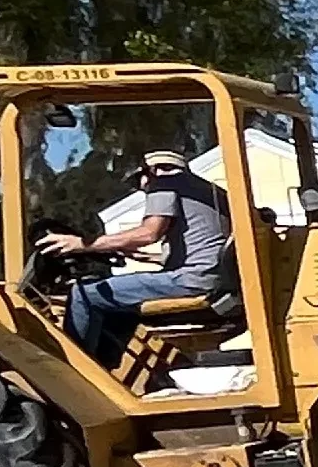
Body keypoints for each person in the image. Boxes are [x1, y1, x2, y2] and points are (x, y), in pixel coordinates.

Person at [45, 143, 235, 354]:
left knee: (84, 294)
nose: (140, 188)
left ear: (152, 170)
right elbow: (202, 244)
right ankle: (109, 367)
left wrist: (81, 244)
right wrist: (143, 256)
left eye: (137, 181)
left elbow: (149, 233)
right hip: (214, 276)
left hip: (191, 279)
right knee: (119, 304)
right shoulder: (211, 192)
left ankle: (77, 370)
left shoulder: (164, 184)